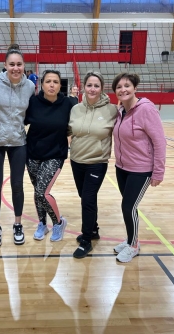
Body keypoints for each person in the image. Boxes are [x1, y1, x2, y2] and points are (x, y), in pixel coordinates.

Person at [112, 73, 166, 263]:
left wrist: (158, 171)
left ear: (135, 88)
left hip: (141, 169)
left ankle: (133, 245)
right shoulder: (120, 111)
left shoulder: (146, 110)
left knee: (129, 206)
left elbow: (160, 142)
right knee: (128, 206)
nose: (123, 89)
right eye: (119, 87)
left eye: (127, 85)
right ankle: (130, 239)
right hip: (122, 167)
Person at [0, 48, 35, 248]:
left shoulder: (30, 86)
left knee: (17, 185)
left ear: (24, 66)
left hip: (18, 142)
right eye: (12, 64)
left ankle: (17, 224)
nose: (16, 68)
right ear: (5, 65)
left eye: (19, 64)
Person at [68, 71, 118, 258]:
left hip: (97, 162)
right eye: (89, 85)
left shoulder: (112, 110)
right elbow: (68, 130)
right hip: (76, 160)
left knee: (88, 199)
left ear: (102, 88)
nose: (92, 89)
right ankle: (94, 229)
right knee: (85, 197)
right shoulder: (75, 109)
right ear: (84, 87)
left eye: (96, 85)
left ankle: (87, 240)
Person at [25, 70, 72, 242]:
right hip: (32, 154)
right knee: (37, 193)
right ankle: (42, 223)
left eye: (56, 82)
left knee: (42, 192)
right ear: (42, 84)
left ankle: (58, 223)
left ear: (60, 85)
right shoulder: (32, 102)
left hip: (55, 154)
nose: (52, 85)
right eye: (48, 81)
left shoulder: (69, 103)